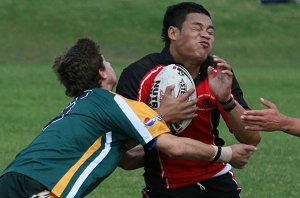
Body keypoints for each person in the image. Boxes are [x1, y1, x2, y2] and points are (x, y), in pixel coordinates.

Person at [0, 38, 256, 198]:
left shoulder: (82, 108)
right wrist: (227, 153)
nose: (112, 65)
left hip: (12, 179)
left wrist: (157, 123)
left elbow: (125, 159)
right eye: (107, 61)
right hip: (40, 187)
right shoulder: (114, 102)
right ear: (102, 73)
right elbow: (174, 147)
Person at [116, 2, 261, 198]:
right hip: (168, 183)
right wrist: (161, 117)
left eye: (210, 31)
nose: (206, 35)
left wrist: (226, 100)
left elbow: (252, 138)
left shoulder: (218, 72)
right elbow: (123, 146)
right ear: (173, 33)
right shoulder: (139, 74)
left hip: (216, 174)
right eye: (197, 28)